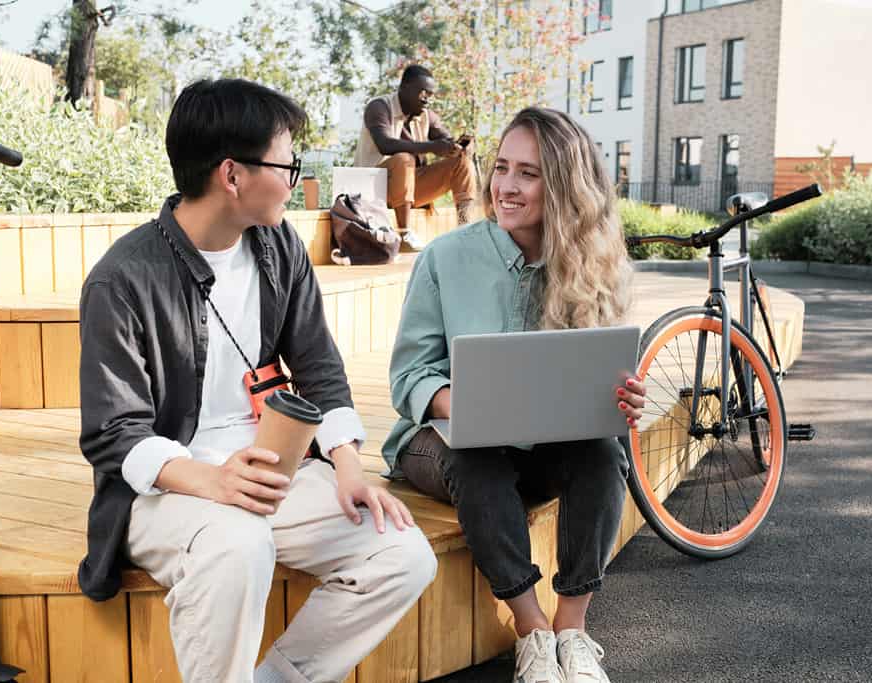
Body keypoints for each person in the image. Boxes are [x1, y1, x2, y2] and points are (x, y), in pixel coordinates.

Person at [77, 78, 437, 683]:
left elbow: (319, 364)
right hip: (168, 489)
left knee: (400, 551)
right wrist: (211, 481)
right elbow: (114, 433)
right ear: (232, 175)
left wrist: (348, 466)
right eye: (286, 161)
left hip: (268, 471)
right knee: (237, 544)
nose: (295, 177)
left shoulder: (278, 246)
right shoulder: (123, 279)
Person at [382, 107, 646, 683]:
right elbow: (408, 377)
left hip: (542, 445)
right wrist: (470, 407)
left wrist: (622, 400)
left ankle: (572, 629)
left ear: (565, 186)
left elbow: (597, 383)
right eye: (501, 168)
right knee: (478, 459)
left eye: (528, 173)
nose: (505, 186)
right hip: (442, 441)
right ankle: (533, 631)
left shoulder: (592, 264)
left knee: (603, 453)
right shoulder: (445, 258)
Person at [353, 64, 477, 249]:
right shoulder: (379, 107)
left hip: (407, 189)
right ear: (405, 87)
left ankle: (466, 231)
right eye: (423, 93)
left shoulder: (427, 116)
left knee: (461, 163)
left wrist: (460, 147)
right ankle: (403, 234)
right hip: (372, 188)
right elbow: (385, 144)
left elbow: (446, 140)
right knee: (404, 158)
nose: (427, 100)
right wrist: (431, 147)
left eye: (431, 95)